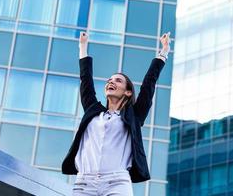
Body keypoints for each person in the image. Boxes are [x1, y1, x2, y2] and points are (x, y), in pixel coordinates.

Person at [62, 31, 171, 196]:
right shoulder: (93, 111)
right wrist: (83, 46)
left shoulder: (133, 115)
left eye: (117, 80)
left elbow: (149, 83)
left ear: (128, 92)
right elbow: (86, 80)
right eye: (109, 80)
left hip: (117, 183)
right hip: (84, 183)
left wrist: (164, 52)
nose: (111, 82)